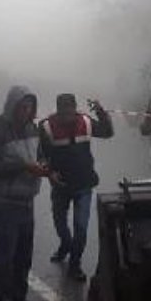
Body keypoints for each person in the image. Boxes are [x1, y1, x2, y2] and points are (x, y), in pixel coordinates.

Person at [0, 86, 50, 301]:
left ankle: (20, 300)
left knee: (23, 256)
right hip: (4, 203)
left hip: (26, 202)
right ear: (12, 105)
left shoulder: (33, 129)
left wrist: (45, 168)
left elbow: (40, 155)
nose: (26, 110)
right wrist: (24, 167)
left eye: (30, 106)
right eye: (22, 106)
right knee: (5, 257)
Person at [39, 94, 113, 281]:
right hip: (60, 185)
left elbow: (107, 132)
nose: (66, 116)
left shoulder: (86, 122)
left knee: (81, 227)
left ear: (75, 108)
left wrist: (101, 112)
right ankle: (65, 244)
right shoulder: (47, 126)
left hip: (84, 184)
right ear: (57, 110)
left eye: (69, 111)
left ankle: (75, 264)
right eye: (62, 111)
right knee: (60, 223)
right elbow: (41, 156)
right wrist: (50, 173)